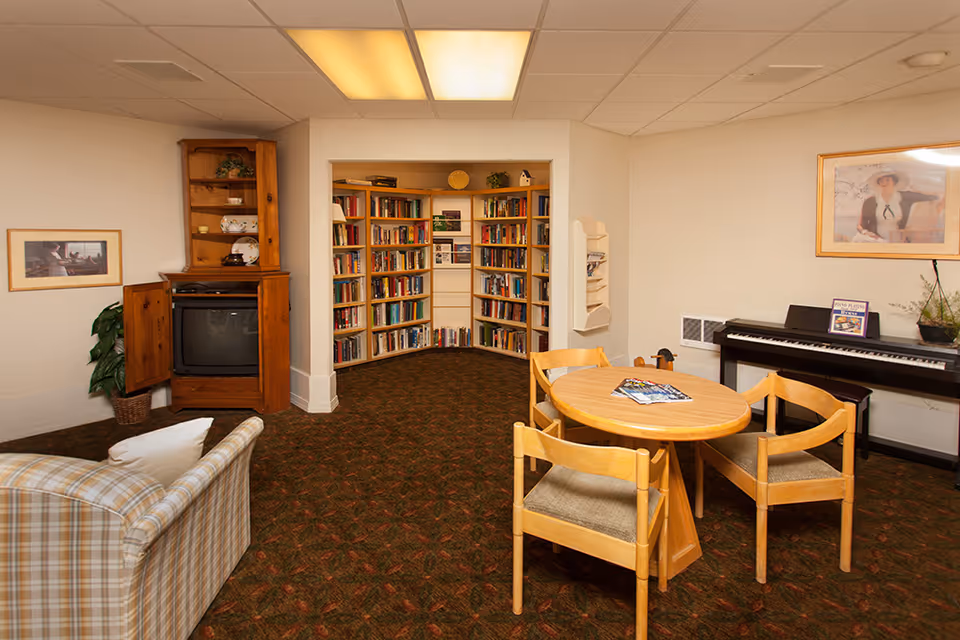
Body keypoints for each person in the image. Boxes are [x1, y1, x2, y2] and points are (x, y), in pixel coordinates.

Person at [857, 170, 943, 242]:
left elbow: (930, 197)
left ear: (894, 182)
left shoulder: (905, 197)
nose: (884, 183)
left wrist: (934, 195)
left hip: (899, 240)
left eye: (887, 180)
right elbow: (861, 226)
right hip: (877, 241)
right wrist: (866, 233)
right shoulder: (870, 201)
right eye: (881, 181)